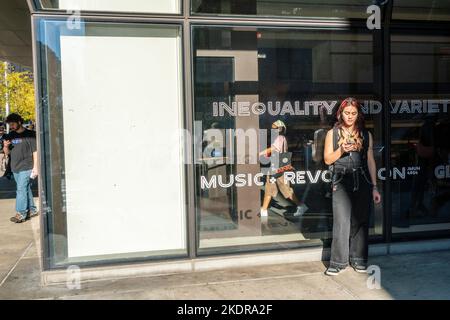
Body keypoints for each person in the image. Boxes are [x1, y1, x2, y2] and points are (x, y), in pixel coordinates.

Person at [323, 97, 381, 276]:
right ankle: (338, 262)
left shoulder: (366, 134)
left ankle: (359, 259)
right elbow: (327, 160)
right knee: (341, 222)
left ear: (358, 115)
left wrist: (375, 186)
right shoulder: (332, 134)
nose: (350, 116)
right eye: (347, 113)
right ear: (340, 113)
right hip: (341, 180)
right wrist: (342, 149)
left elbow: (370, 161)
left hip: (362, 178)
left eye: (353, 113)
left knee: (361, 221)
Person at [259, 120, 308, 218]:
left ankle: (263, 210)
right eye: (272, 128)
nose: (272, 130)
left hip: (275, 167)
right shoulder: (281, 138)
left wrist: (260, 153)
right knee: (285, 190)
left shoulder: (279, 138)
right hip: (281, 168)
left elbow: (274, 148)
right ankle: (301, 206)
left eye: (275, 128)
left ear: (280, 129)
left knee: (270, 188)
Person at [2, 114, 39, 223]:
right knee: (25, 188)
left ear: (19, 121)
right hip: (15, 167)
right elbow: (7, 153)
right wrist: (5, 146)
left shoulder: (30, 134)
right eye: (10, 124)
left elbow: (35, 152)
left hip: (26, 166)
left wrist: (36, 167)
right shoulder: (10, 135)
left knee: (21, 189)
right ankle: (32, 209)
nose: (11, 126)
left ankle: (21, 213)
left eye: (13, 124)